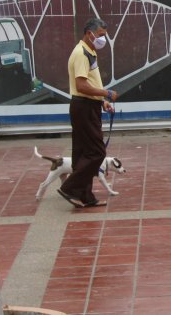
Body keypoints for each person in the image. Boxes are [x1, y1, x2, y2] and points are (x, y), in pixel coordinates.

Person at [58, 18, 116, 209]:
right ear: (89, 33)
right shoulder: (81, 53)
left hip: (88, 105)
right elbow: (82, 85)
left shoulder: (89, 51)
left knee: (82, 153)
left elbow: (90, 82)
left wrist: (102, 101)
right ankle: (70, 188)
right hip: (83, 107)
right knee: (97, 152)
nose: (103, 40)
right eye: (100, 35)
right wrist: (106, 93)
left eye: (104, 36)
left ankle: (85, 196)